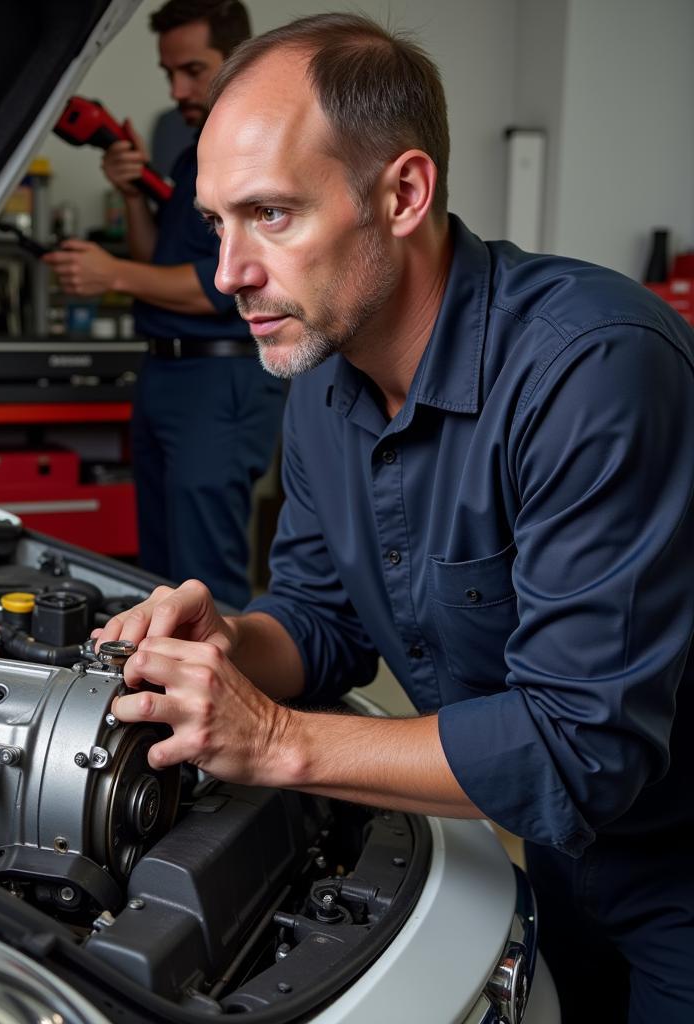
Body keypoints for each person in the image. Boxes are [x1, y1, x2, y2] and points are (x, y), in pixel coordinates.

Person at [93, 13, 694, 1024]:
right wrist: (234, 644)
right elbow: (322, 618)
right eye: (218, 220)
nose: (229, 270)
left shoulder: (593, 369)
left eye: (270, 215)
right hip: (544, 863)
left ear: (401, 194)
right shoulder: (326, 384)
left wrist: (278, 739)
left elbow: (577, 747)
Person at [43, 0, 286, 609]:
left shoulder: (266, 156)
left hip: (219, 376)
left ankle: (224, 697)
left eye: (192, 70)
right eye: (169, 73)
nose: (178, 88)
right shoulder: (192, 154)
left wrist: (111, 273)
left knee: (206, 582)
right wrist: (130, 195)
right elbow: (160, 265)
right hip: (167, 374)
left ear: (237, 59)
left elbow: (230, 280)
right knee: (157, 574)